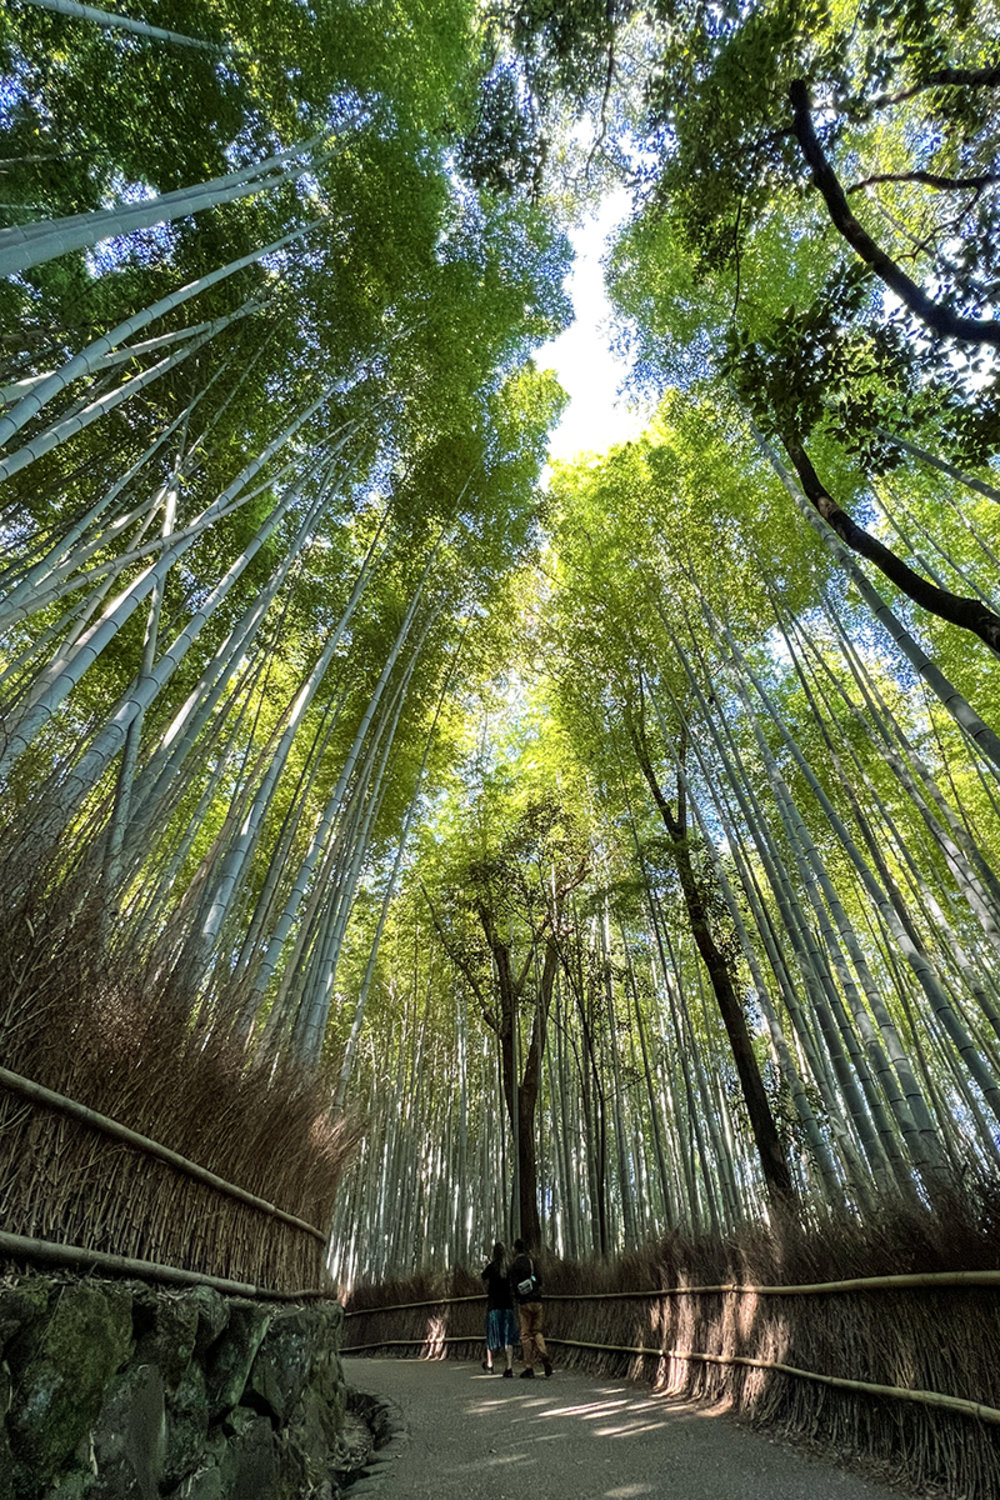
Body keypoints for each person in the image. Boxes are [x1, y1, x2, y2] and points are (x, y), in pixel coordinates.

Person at [508, 1236, 552, 1378]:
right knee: (537, 1331)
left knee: (525, 1335)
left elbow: (513, 1285)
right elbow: (539, 1280)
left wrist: (518, 1296)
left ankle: (529, 1367)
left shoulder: (514, 1265)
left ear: (515, 1250)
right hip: (537, 1300)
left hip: (524, 1303)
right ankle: (543, 1352)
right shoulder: (531, 1262)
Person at [481, 1241, 517, 1377]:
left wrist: (485, 1266)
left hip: (494, 1306)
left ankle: (490, 1364)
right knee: (508, 1337)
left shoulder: (491, 1268)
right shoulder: (509, 1267)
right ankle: (509, 1367)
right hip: (508, 1306)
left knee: (491, 1335)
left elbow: (482, 1277)